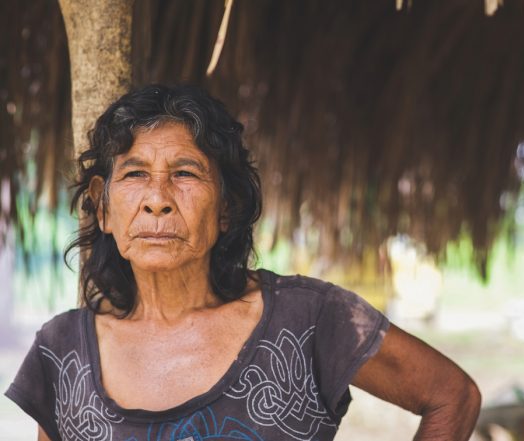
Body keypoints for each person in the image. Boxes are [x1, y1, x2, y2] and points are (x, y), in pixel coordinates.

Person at [5, 85, 481, 441]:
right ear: (103, 207)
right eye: (134, 174)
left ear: (227, 206)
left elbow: (450, 395)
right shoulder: (63, 352)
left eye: (185, 173)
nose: (157, 200)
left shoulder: (306, 320)